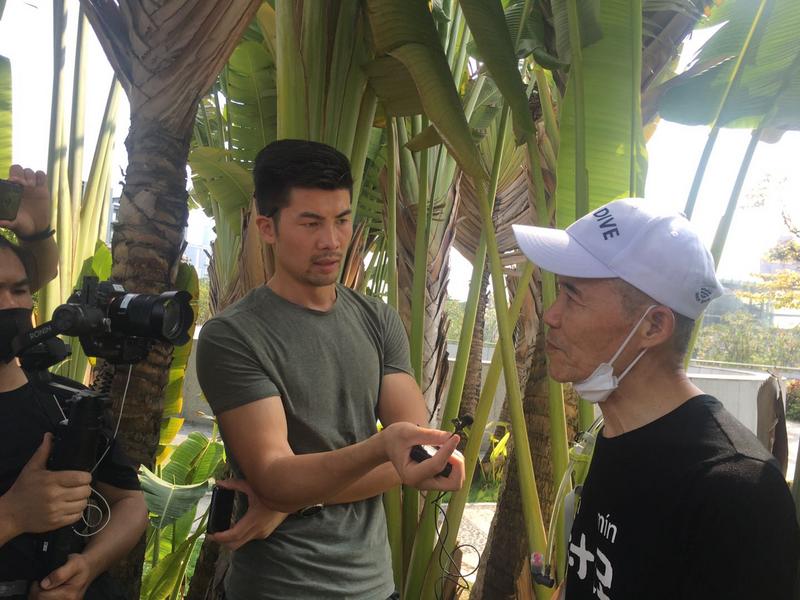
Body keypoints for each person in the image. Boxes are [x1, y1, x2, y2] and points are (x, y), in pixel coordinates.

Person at [196, 139, 465, 600]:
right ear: (267, 227)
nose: (332, 241)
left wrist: (293, 501)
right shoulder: (234, 336)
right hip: (278, 589)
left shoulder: (377, 320)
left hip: (375, 587)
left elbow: (415, 455)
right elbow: (275, 476)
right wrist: (381, 449)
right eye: (311, 223)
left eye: (341, 220)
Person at [513, 198, 800, 600]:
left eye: (572, 296)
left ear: (653, 325)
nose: (551, 315)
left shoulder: (736, 491)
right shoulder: (617, 435)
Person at [0, 169, 148, 600]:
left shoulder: (65, 402)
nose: (9, 304)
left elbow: (129, 502)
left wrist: (88, 566)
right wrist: (13, 514)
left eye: (19, 290)